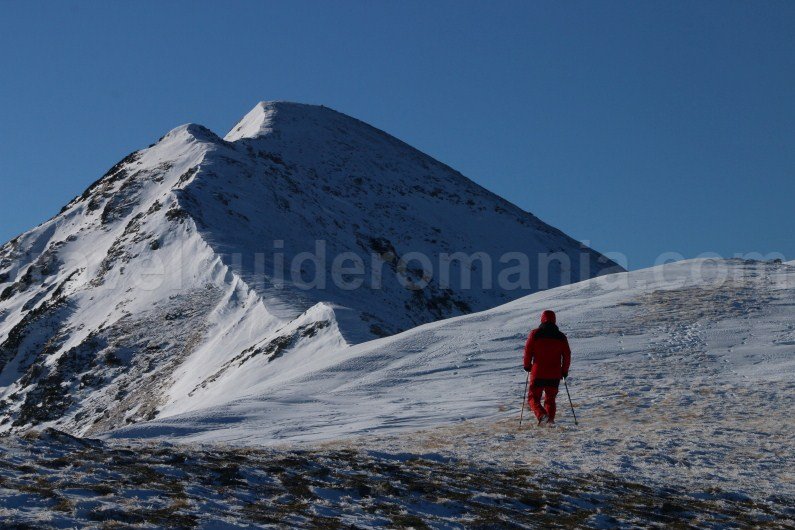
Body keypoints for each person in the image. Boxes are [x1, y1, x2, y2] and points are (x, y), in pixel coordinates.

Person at [523, 310, 571, 426]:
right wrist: (564, 371)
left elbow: (528, 351)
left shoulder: (535, 334)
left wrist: (527, 365)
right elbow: (567, 355)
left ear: (542, 319)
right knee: (550, 399)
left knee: (533, 398)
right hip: (554, 374)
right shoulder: (561, 337)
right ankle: (549, 422)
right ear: (554, 320)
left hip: (538, 372)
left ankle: (542, 416)